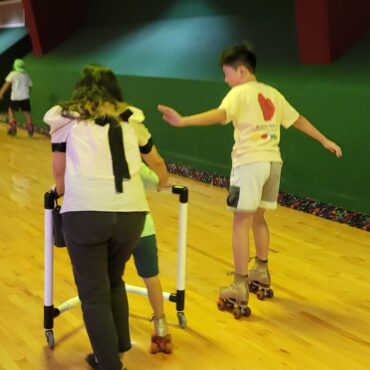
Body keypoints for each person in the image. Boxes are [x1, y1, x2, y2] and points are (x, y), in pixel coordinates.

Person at [158, 42, 342, 314]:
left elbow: (220, 115)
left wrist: (184, 121)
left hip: (249, 165)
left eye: (227, 74)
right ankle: (261, 272)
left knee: (240, 224)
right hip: (272, 163)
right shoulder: (273, 93)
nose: (225, 80)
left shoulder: (239, 93)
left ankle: (240, 285)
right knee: (258, 218)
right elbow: (297, 119)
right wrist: (324, 139)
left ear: (241, 72)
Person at [44, 64, 149, 370]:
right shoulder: (132, 116)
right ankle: (118, 345)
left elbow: (59, 174)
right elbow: (154, 160)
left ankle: (109, 364)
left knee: (93, 294)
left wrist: (59, 191)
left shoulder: (64, 117)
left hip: (87, 211)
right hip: (132, 213)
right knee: (113, 278)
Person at [0, 59, 34, 136]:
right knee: (26, 112)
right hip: (25, 97)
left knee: (11, 110)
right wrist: (27, 93)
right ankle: (30, 128)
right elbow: (30, 87)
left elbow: (7, 84)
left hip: (15, 97)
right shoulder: (26, 75)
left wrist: (1, 93)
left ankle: (13, 126)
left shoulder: (12, 74)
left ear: (14, 66)